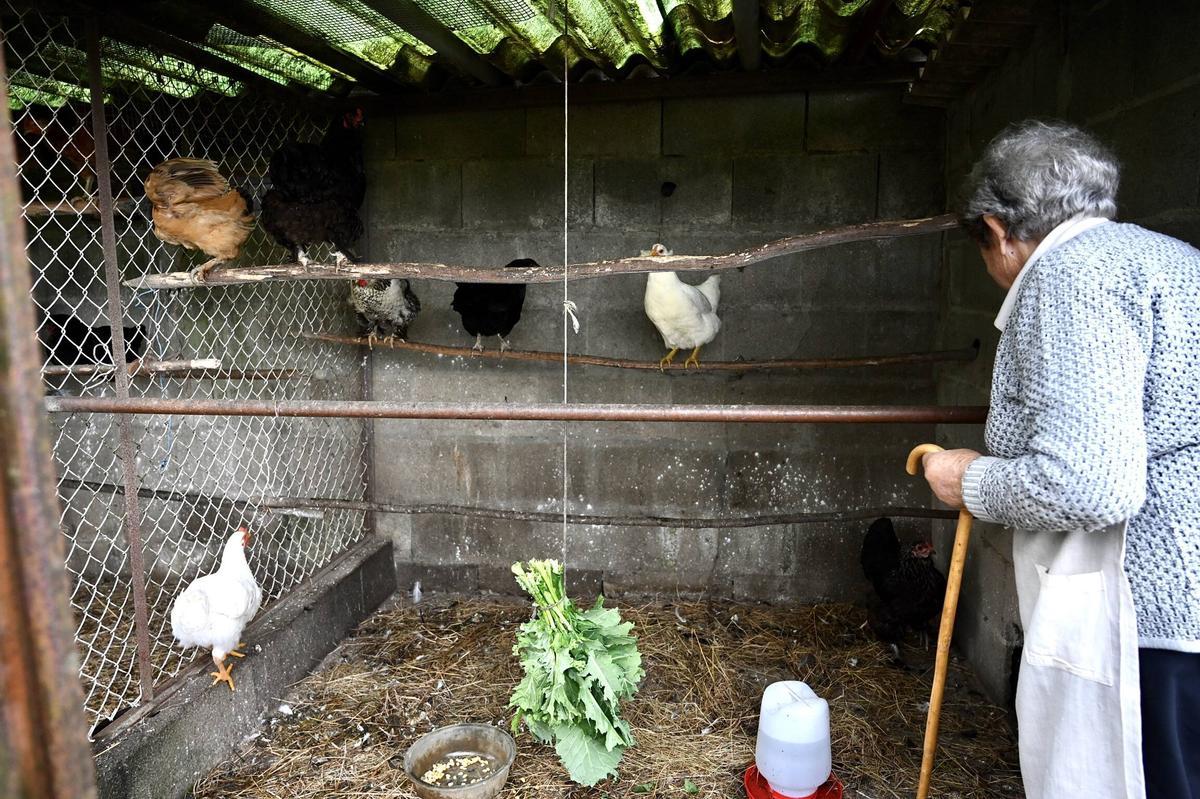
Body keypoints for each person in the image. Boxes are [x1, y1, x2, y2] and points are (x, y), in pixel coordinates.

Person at [919, 120, 1200, 799]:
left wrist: (968, 479)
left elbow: (1088, 483)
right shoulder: (1174, 258)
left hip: (1144, 618)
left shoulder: (1068, 276)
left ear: (997, 230)